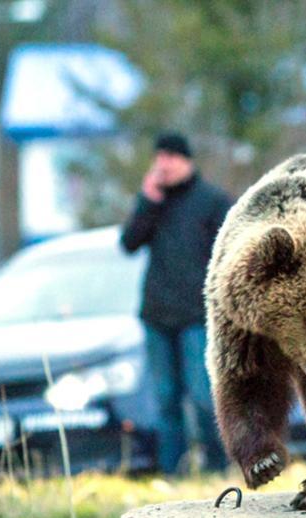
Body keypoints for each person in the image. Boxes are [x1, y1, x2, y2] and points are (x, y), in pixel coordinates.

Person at [120, 132, 232, 474]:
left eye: (171, 157)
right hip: (157, 317)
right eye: (160, 156)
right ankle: (173, 470)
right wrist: (147, 202)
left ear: (186, 161)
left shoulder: (212, 201)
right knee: (166, 399)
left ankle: (217, 465)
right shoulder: (154, 203)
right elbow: (129, 243)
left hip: (198, 316)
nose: (164, 164)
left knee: (202, 396)